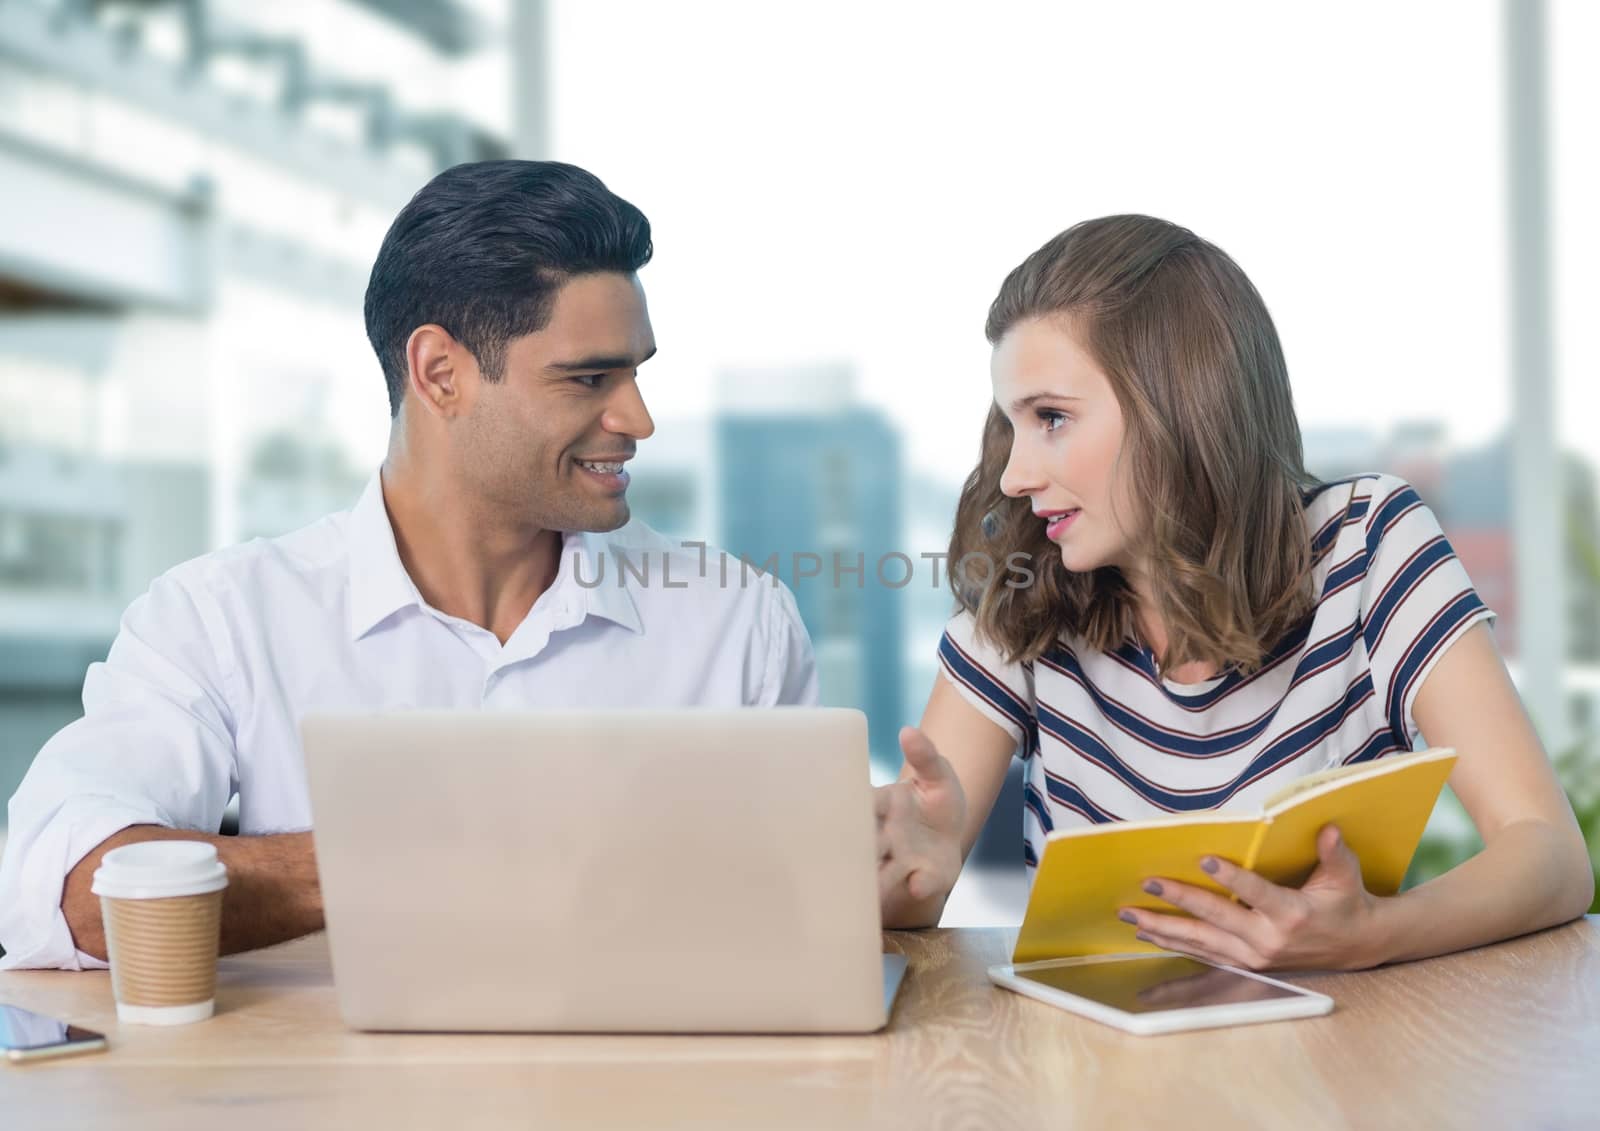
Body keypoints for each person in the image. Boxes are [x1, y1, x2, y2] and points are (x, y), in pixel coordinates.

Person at [0, 161, 816, 971]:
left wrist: (900, 875)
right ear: (439, 373)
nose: (637, 417)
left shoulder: (736, 621)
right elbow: (63, 889)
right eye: (590, 378)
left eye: (637, 371)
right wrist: (417, 858)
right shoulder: (220, 621)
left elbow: (810, 914)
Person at [875, 215, 1593, 969]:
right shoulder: (1027, 587)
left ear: (1178, 405)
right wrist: (917, 870)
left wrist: (1375, 933)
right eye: (1011, 425)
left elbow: (1548, 851)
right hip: (1089, 1068)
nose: (1016, 476)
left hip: (1332, 1063)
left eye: (1051, 417)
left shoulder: (1369, 544)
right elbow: (915, 895)